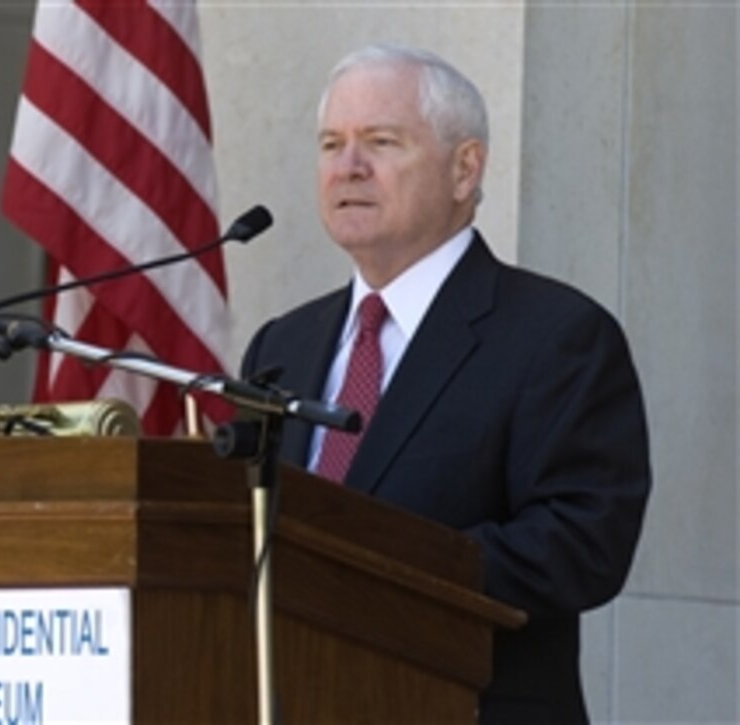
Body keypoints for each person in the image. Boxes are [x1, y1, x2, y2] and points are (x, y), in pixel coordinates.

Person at [241, 43, 651, 724]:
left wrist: (366, 568)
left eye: (380, 141)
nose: (349, 167)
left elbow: (583, 543)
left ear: (465, 169)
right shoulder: (282, 344)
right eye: (331, 144)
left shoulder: (557, 336)